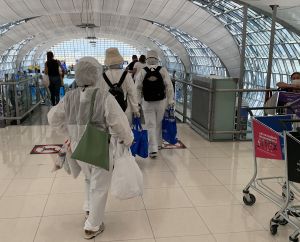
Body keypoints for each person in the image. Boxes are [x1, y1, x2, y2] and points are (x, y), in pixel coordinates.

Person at [47, 57, 133, 240]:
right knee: (99, 185)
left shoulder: (69, 96)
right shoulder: (104, 97)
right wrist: (128, 140)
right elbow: (118, 122)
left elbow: (53, 117)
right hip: (98, 144)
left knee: (88, 178)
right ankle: (92, 226)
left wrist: (69, 131)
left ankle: (88, 208)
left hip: (78, 146)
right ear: (96, 75)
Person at [135, 50, 174, 158]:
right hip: (161, 101)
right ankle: (159, 144)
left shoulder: (143, 71)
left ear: (147, 59)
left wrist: (137, 102)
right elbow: (169, 87)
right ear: (157, 58)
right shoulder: (163, 70)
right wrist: (170, 101)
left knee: (150, 124)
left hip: (147, 102)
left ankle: (152, 149)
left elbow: (137, 88)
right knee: (159, 123)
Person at [103, 48, 139, 123]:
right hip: (125, 109)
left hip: (109, 111)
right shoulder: (126, 75)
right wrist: (135, 109)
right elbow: (132, 93)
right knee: (126, 133)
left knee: (111, 133)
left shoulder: (103, 76)